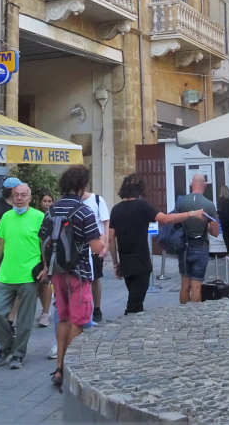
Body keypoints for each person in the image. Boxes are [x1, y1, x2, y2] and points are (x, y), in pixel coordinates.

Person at [40, 166, 104, 391]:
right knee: (78, 320)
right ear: (82, 185)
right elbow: (96, 247)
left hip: (58, 272)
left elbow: (43, 240)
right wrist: (103, 243)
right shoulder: (84, 211)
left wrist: (48, 266)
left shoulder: (52, 209)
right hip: (79, 272)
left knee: (64, 318)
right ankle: (70, 370)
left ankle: (59, 366)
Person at [107, 173, 205, 314]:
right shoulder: (142, 206)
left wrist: (116, 263)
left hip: (125, 262)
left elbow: (111, 238)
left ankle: (135, 327)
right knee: (134, 305)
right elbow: (165, 219)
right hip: (141, 262)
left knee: (135, 299)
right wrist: (191, 214)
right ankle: (129, 329)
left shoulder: (116, 209)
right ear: (140, 189)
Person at [0, 182, 44, 369]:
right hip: (6, 274)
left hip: (29, 275)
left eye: (23, 195)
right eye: (16, 195)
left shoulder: (39, 217)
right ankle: (6, 346)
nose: (19, 199)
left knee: (24, 319)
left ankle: (18, 354)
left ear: (30, 198)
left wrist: (45, 268)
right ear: (12, 197)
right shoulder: (6, 216)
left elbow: (45, 245)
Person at [175, 174, 219, 304]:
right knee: (196, 286)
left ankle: (183, 313)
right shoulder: (209, 205)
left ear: (191, 184)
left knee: (184, 285)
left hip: (184, 246)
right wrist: (206, 223)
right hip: (200, 246)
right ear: (204, 185)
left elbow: (175, 224)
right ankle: (194, 319)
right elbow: (215, 233)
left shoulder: (181, 202)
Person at [81, 183, 110, 323]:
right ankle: (84, 308)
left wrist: (105, 244)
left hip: (95, 245)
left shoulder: (97, 200)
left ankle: (97, 308)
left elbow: (105, 223)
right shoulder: (72, 202)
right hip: (79, 246)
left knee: (95, 278)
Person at [36, 193, 54, 327]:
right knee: (38, 284)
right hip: (34, 253)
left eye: (50, 201)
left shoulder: (53, 216)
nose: (47, 203)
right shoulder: (35, 215)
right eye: (44, 201)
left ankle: (46, 313)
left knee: (46, 283)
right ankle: (43, 310)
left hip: (47, 254)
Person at [216, 184, 229, 256]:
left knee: (226, 236)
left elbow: (220, 210)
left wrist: (217, 213)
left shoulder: (221, 200)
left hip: (225, 220)